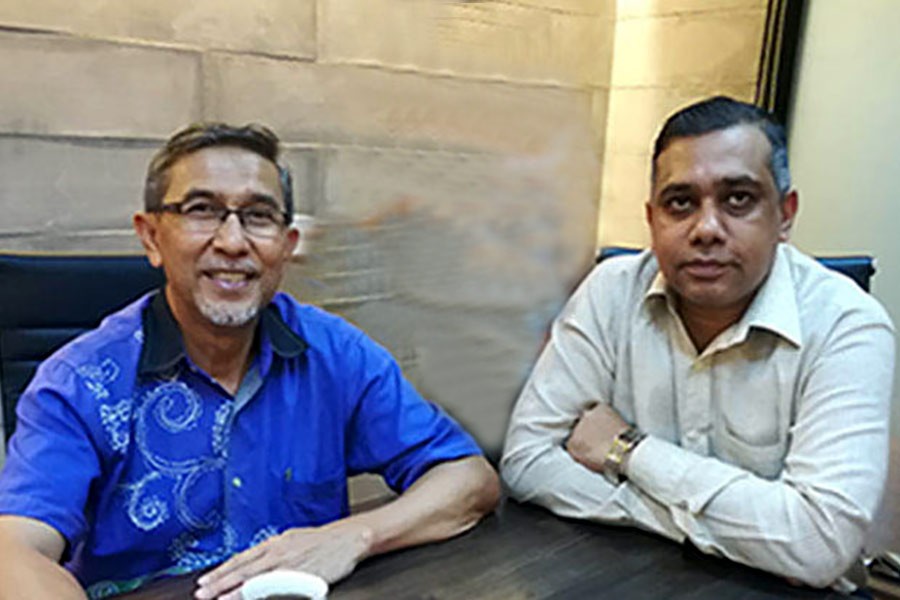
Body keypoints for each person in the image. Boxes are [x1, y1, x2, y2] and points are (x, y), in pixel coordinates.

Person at [0, 123, 500, 599]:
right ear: (151, 237)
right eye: (201, 210)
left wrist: (357, 535)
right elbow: (15, 550)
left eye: (259, 216)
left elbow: (468, 478)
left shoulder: (334, 354)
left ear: (286, 246)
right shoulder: (80, 382)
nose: (233, 242)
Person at [500, 96, 895, 590]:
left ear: (785, 214)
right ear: (652, 219)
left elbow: (817, 544)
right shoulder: (610, 291)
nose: (706, 229)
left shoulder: (847, 324)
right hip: (629, 575)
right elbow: (526, 459)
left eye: (738, 199)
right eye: (681, 203)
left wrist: (628, 452)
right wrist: (749, 537)